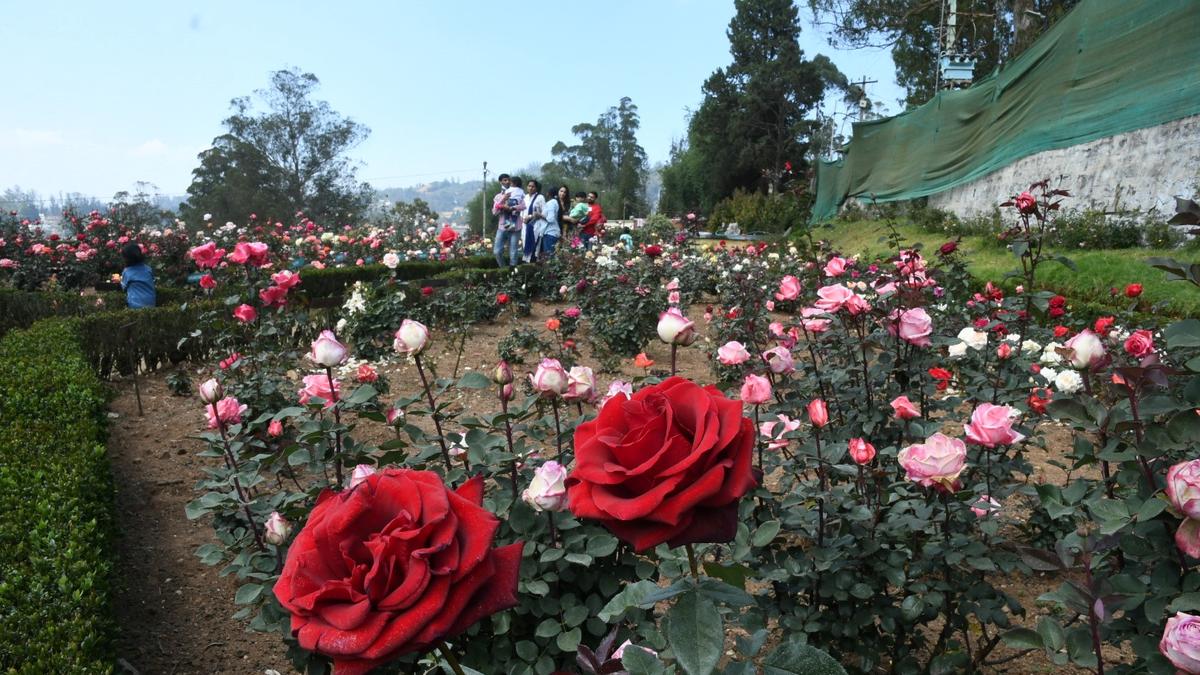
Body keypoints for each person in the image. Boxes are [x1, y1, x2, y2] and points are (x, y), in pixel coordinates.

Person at [491, 174, 525, 267]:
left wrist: (512, 208)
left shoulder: (518, 193)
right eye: (505, 180)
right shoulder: (498, 196)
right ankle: (503, 269)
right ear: (500, 182)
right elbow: (494, 212)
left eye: (508, 180)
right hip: (502, 227)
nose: (507, 182)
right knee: (497, 251)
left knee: (513, 252)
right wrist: (503, 199)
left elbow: (523, 206)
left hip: (516, 227)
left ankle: (512, 273)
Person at [120, 242, 156, 309]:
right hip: (151, 303)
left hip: (135, 305)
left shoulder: (127, 271)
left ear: (126, 259)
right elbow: (153, 281)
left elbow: (123, 288)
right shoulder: (148, 269)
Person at [521, 179, 546, 263]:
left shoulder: (540, 197)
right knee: (525, 246)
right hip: (525, 226)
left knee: (534, 248)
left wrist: (531, 216)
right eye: (529, 186)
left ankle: (532, 264)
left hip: (535, 225)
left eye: (533, 186)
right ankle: (527, 265)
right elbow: (522, 211)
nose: (531, 188)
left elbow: (544, 213)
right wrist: (523, 218)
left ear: (536, 188)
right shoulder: (525, 197)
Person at [538, 185, 564, 259]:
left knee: (549, 256)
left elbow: (551, 219)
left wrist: (539, 215)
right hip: (551, 232)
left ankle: (549, 270)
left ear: (548, 193)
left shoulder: (551, 203)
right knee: (551, 255)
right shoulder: (555, 202)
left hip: (550, 232)